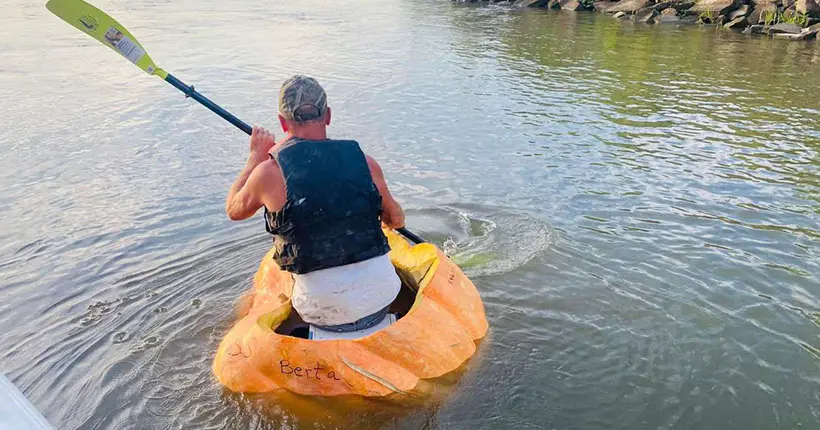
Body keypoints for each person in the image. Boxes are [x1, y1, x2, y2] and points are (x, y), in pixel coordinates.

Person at [224, 75, 406, 333]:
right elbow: (396, 220)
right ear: (328, 115)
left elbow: (234, 210)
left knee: (251, 298)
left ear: (281, 122)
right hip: (381, 299)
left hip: (321, 314)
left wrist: (254, 157)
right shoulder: (365, 162)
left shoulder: (267, 173)